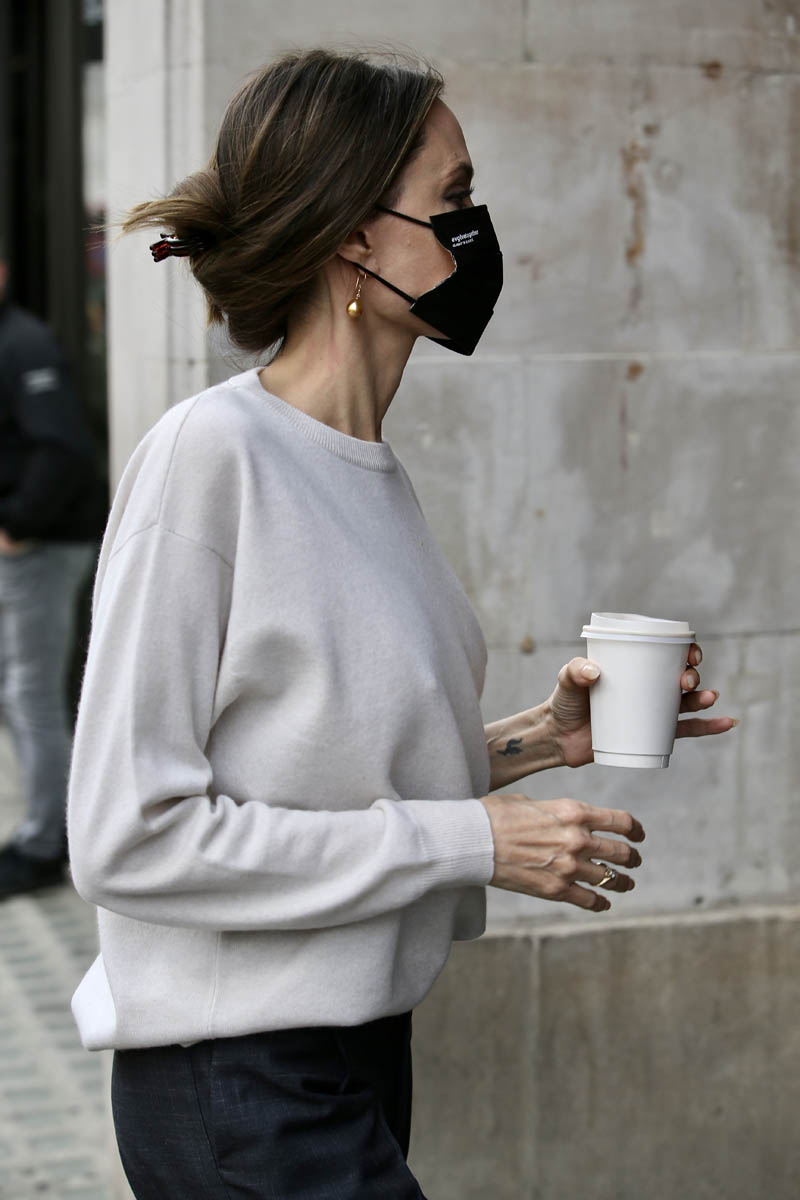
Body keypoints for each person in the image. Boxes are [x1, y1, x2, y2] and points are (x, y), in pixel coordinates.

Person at [66, 48, 736, 1199]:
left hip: (353, 1059)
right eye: (453, 197)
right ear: (354, 238)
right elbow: (128, 835)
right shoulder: (209, 456)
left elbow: (319, 776)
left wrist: (536, 741)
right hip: (237, 1079)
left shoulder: (367, 473)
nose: (478, 231)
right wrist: (473, 843)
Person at [0, 244, 105, 898]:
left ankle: (51, 843)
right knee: (17, 690)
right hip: (27, 545)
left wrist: (17, 523)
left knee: (30, 692)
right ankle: (50, 826)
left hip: (43, 546)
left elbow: (64, 449)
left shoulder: (25, 343)